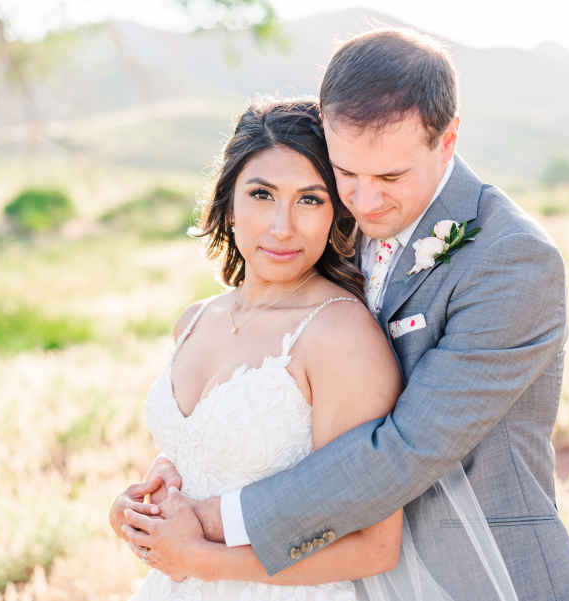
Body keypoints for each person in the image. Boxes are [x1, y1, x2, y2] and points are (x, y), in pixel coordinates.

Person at [114, 27, 569, 601]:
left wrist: (209, 523)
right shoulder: (335, 232)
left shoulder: (511, 260)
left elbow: (405, 450)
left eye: (390, 177)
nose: (363, 203)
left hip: (470, 570)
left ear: (447, 140)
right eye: (345, 175)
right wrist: (164, 494)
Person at [112, 98, 408, 600]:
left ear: (337, 212)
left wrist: (205, 560)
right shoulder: (196, 319)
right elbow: (201, 455)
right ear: (228, 202)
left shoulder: (338, 334)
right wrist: (140, 506)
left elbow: (375, 546)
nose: (282, 226)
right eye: (262, 194)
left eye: (310, 200)